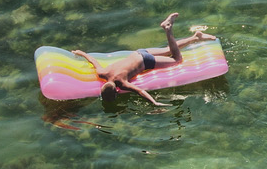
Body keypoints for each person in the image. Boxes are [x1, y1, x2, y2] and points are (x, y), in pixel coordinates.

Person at [73, 13, 216, 106]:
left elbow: (140, 91)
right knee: (168, 50)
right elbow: (92, 60)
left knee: (177, 59)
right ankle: (196, 37)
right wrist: (81, 53)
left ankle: (168, 29)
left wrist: (154, 102)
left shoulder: (121, 83)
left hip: (145, 61)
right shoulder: (102, 73)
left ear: (117, 91)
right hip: (138, 53)